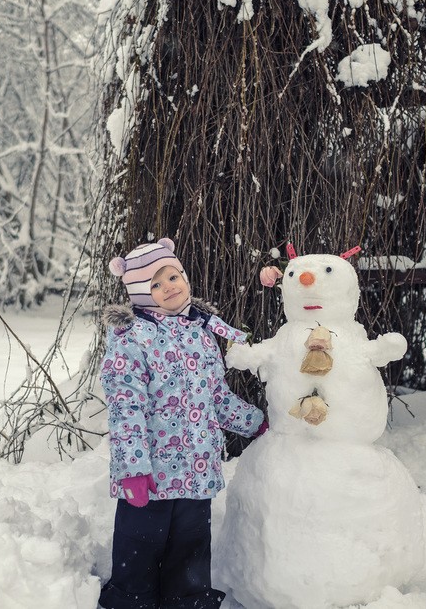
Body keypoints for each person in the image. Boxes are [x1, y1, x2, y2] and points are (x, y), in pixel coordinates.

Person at [98, 238, 267, 609]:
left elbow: (217, 398)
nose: (168, 287)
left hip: (197, 472)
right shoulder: (131, 339)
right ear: (140, 294)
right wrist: (132, 469)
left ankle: (187, 602)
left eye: (173, 276)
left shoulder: (202, 333)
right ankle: (130, 602)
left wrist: (257, 424)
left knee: (190, 555)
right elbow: (126, 410)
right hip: (149, 477)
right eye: (154, 284)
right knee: (138, 552)